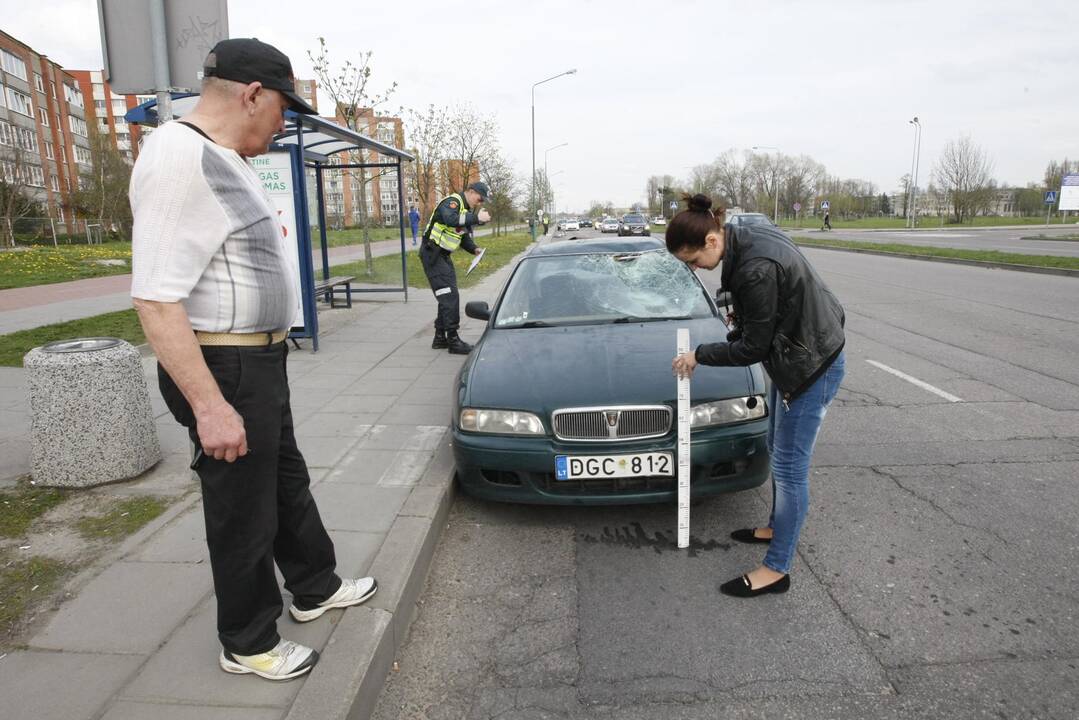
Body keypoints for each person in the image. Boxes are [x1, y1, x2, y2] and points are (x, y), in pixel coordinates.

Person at [129, 38, 377, 682]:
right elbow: (155, 299)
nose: (284, 123)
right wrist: (210, 405)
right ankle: (247, 640)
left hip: (257, 364)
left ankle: (315, 585)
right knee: (242, 508)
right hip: (224, 368)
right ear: (251, 95)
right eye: (282, 109)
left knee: (283, 482)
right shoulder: (180, 157)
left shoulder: (223, 156)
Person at [668, 193, 846, 599]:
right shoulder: (743, 237)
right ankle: (773, 528)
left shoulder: (755, 269)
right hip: (796, 354)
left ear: (712, 241)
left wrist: (699, 355)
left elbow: (752, 348)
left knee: (788, 468)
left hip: (809, 367)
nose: (696, 269)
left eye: (693, 261)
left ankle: (777, 569)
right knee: (773, 445)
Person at [419, 181, 489, 354]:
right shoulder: (453, 202)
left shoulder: (464, 211)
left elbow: (462, 235)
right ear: (471, 192)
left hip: (442, 256)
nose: (480, 203)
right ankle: (453, 340)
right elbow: (449, 219)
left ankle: (440, 338)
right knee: (450, 297)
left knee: (446, 295)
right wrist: (477, 219)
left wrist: (474, 249)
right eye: (480, 199)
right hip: (433, 254)